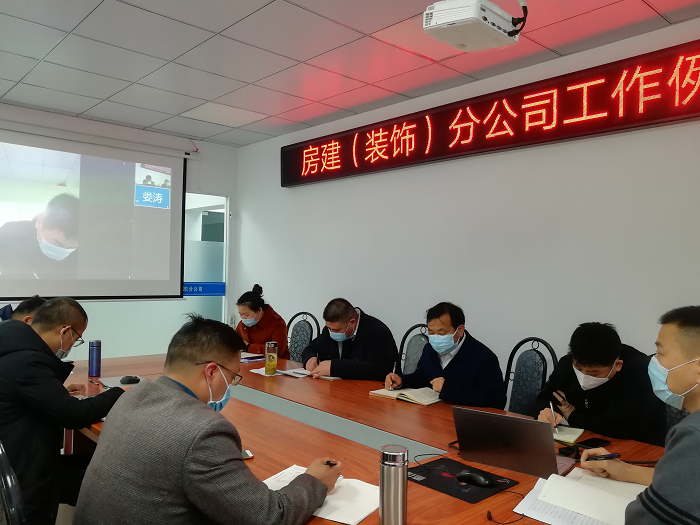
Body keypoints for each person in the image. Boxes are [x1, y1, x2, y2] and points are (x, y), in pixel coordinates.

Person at [74, 314, 343, 525]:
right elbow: (269, 516)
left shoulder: (132, 395)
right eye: (233, 376)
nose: (232, 384)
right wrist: (315, 480)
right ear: (212, 372)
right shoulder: (204, 431)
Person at [0, 297, 124, 525]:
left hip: (16, 455)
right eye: (76, 339)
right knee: (108, 481)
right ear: (65, 331)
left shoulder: (12, 345)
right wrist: (119, 393)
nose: (71, 346)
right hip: (24, 475)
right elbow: (74, 415)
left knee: (91, 467)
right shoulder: (28, 361)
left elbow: (21, 391)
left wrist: (54, 393)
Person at [580, 306, 700, 524]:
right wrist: (625, 471)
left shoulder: (693, 435)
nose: (654, 362)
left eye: (661, 354)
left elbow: (644, 519)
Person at [533, 322, 666, 446]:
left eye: (594, 373)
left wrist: (572, 416)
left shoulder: (641, 371)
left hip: (641, 444)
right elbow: (545, 397)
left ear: (618, 365)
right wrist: (546, 411)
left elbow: (620, 425)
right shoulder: (568, 363)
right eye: (578, 369)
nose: (583, 376)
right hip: (585, 440)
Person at [385, 302, 507, 408]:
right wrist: (402, 380)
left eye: (442, 333)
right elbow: (423, 376)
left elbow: (497, 399)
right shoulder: (429, 348)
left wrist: (448, 389)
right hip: (433, 414)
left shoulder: (483, 357)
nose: (436, 338)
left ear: (460, 330)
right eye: (431, 332)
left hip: (463, 419)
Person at [302, 298, 397, 381]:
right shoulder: (330, 329)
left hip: (370, 390)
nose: (331, 332)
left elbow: (377, 369)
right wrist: (309, 359)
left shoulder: (378, 332)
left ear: (352, 323)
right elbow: (311, 348)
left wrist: (334, 367)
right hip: (337, 388)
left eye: (336, 330)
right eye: (329, 328)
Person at [0, 193, 79, 279]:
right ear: (39, 222)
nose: (63, 251)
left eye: (71, 247)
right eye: (56, 243)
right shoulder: (9, 236)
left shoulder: (81, 253)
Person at [235, 284, 289, 359]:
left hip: (276, 363)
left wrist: (248, 347)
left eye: (246, 315)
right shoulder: (243, 323)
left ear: (260, 310)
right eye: (240, 314)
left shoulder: (277, 323)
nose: (243, 318)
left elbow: (276, 351)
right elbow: (234, 338)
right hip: (248, 361)